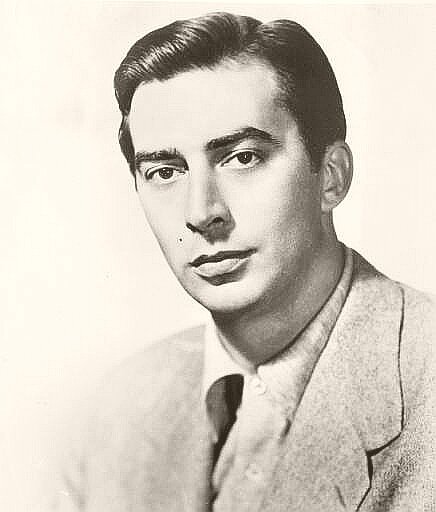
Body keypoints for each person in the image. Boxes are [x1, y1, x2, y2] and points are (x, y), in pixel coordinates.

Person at [55, 12, 436, 512]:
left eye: (242, 157)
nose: (201, 213)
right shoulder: (115, 414)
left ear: (331, 176)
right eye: (165, 171)